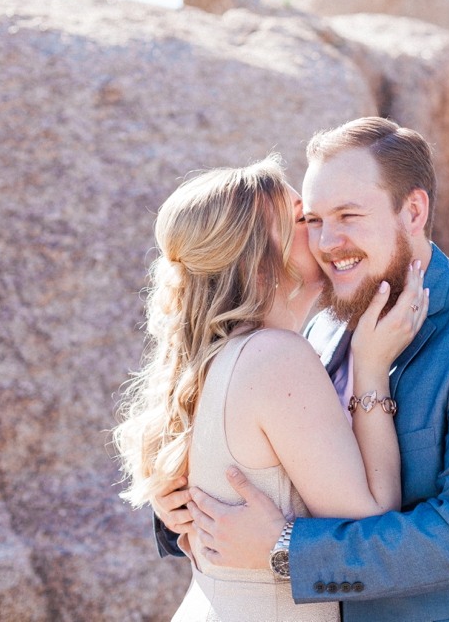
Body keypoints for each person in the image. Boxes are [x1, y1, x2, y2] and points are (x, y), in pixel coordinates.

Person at [157, 118, 449, 621]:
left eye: (348, 215)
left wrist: (285, 549)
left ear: (413, 211)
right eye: (313, 221)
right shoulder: (317, 329)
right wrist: (186, 506)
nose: (327, 242)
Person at [113, 153, 429, 621]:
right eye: (305, 220)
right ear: (259, 261)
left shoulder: (214, 359)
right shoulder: (276, 357)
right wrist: (371, 366)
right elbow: (372, 522)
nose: (325, 235)